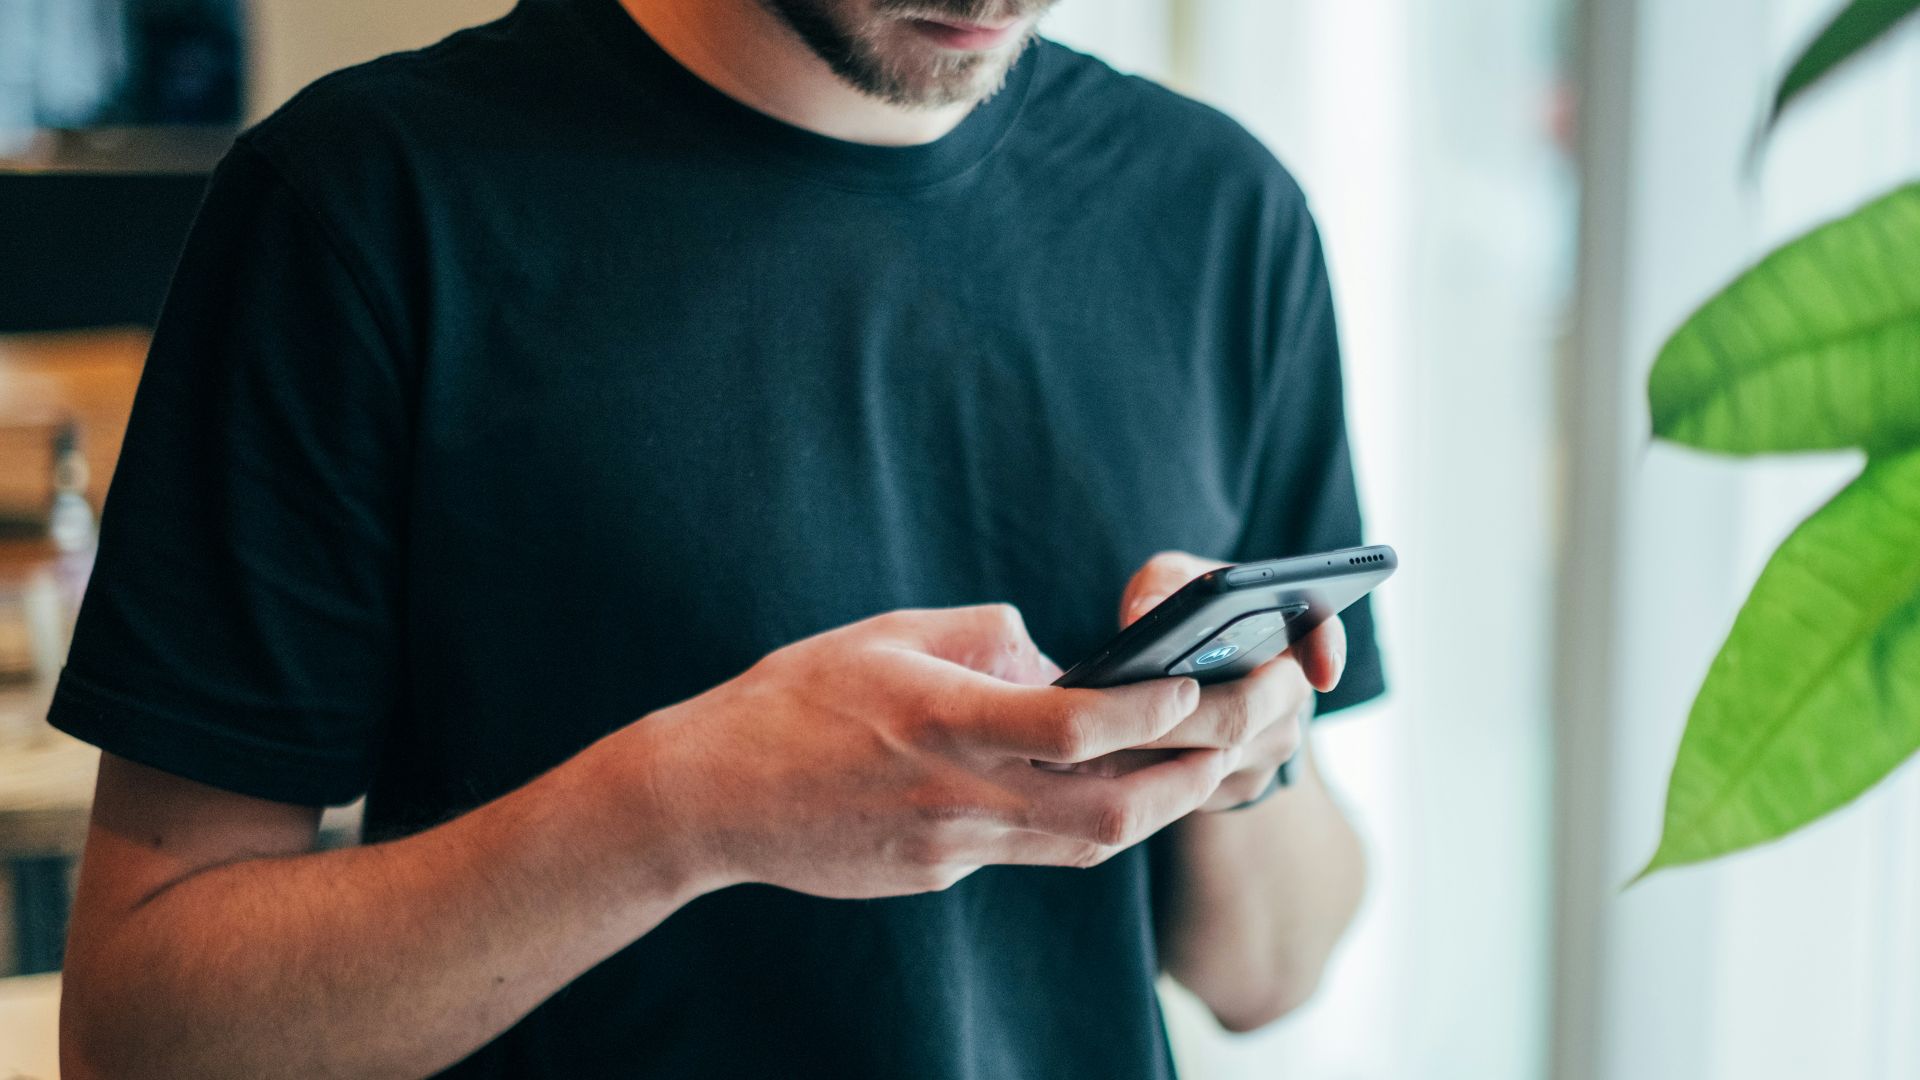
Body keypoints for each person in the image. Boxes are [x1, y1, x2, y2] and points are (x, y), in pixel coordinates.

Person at [50, 0, 1384, 1076]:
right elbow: (148, 1037)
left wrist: (1243, 762)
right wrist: (685, 812)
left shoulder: (1222, 213)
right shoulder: (361, 204)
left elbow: (1268, 973)